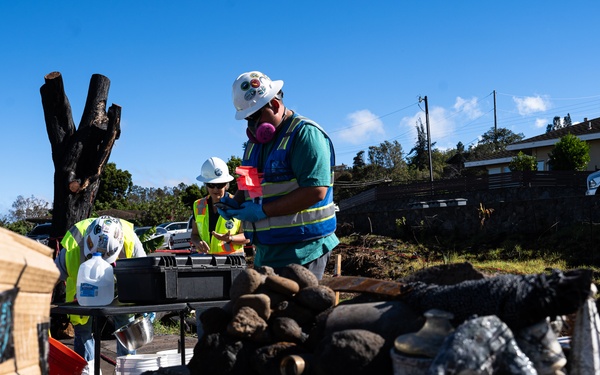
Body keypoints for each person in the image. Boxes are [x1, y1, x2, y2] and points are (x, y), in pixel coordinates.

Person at [220, 70, 338, 280]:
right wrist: (234, 203)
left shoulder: (305, 134)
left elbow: (315, 191)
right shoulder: (253, 145)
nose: (251, 126)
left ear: (274, 105)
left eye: (254, 117)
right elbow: (248, 184)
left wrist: (262, 211)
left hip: (303, 250)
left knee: (295, 312)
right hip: (267, 251)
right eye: (247, 120)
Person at [54, 215, 147, 362]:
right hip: (83, 293)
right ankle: (87, 369)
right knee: (83, 331)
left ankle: (127, 368)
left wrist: (148, 303)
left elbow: (145, 274)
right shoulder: (73, 245)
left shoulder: (130, 240)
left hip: (120, 289)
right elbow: (52, 275)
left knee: (126, 324)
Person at [191, 156, 249, 254]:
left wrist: (230, 238)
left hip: (233, 261)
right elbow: (194, 234)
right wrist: (198, 243)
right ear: (206, 184)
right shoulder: (198, 205)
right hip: (206, 262)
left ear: (226, 184)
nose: (216, 189)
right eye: (211, 185)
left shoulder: (238, 203)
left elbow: (248, 237)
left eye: (220, 185)